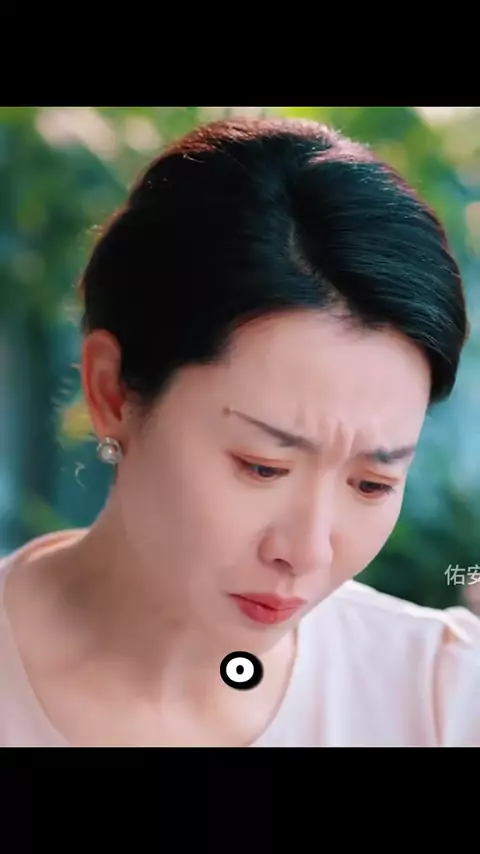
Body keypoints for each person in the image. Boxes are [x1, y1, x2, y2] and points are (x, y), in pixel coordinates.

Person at [1, 116, 479, 748]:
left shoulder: (443, 700)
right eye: (262, 466)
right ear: (112, 392)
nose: (307, 552)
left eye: (371, 483)